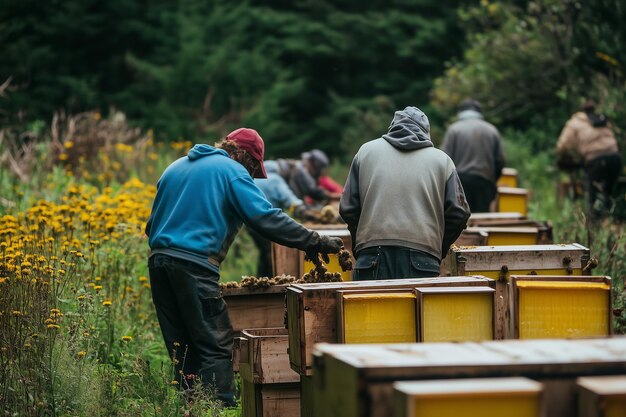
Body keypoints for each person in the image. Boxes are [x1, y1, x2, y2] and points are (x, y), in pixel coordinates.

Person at [145, 128, 342, 406]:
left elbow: (150, 225)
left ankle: (191, 406)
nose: (251, 176)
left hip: (158, 262)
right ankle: (221, 408)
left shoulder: (175, 167)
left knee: (182, 346)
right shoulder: (231, 170)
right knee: (215, 344)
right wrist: (313, 241)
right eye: (252, 168)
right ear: (242, 155)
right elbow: (265, 217)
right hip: (195, 265)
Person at [339, 106, 470, 280]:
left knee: (370, 308)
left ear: (393, 126)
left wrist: (361, 246)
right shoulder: (443, 161)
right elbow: (459, 213)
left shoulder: (365, 152)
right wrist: (438, 249)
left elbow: (348, 208)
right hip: (423, 260)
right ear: (426, 132)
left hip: (371, 257)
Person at [556, 100, 622, 219]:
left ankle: (593, 226)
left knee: (592, 195)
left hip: (595, 161)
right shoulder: (600, 119)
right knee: (608, 193)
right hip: (615, 158)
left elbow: (563, 145)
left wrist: (563, 156)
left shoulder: (574, 122)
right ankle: (610, 220)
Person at [441, 98, 506, 212]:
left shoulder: (454, 129)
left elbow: (444, 158)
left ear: (460, 113)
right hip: (484, 182)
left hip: (460, 183)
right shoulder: (492, 130)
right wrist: (492, 181)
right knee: (482, 220)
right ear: (479, 113)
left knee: (460, 219)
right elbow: (500, 161)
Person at [251, 160, 309, 277]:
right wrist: (302, 209)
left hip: (251, 225)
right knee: (272, 255)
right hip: (268, 224)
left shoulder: (255, 179)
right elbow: (290, 200)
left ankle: (260, 281)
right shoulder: (275, 180)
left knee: (265, 252)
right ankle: (273, 284)